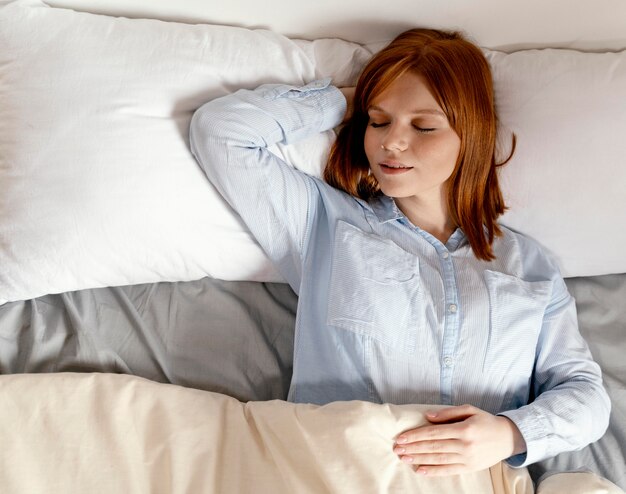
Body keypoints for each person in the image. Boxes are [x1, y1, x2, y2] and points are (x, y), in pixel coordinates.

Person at [189, 28, 610, 476]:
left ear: (472, 132)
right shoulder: (324, 224)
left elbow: (585, 395)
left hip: (474, 484)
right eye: (379, 122)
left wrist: (509, 433)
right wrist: (352, 101)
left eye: (423, 125)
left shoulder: (530, 268)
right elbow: (221, 132)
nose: (391, 142)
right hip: (339, 475)